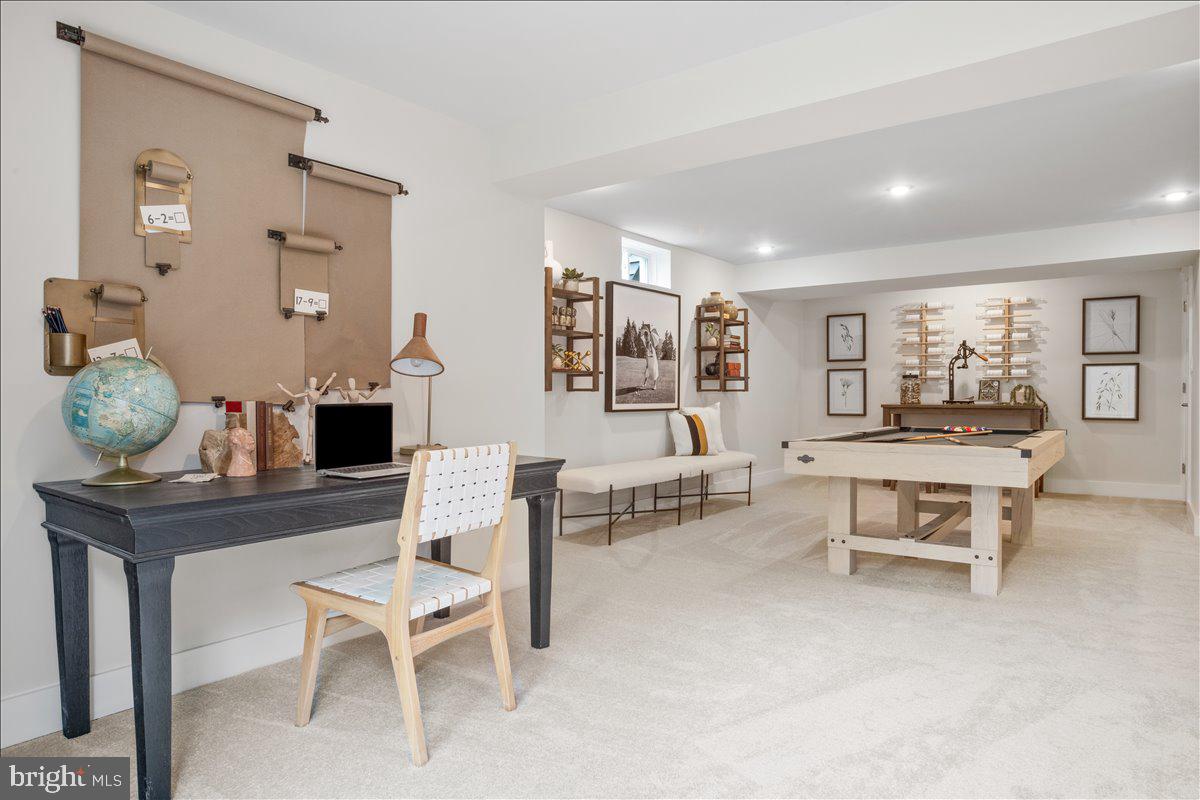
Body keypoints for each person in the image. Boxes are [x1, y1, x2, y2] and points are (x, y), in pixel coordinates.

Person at [640, 324, 661, 391]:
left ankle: (655, 385)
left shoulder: (650, 343)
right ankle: (644, 383)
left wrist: (648, 355)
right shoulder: (646, 343)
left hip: (653, 359)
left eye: (647, 336)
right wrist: (647, 361)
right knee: (647, 370)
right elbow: (647, 353)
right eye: (645, 337)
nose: (646, 338)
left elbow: (652, 353)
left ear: (648, 336)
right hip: (649, 358)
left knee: (654, 370)